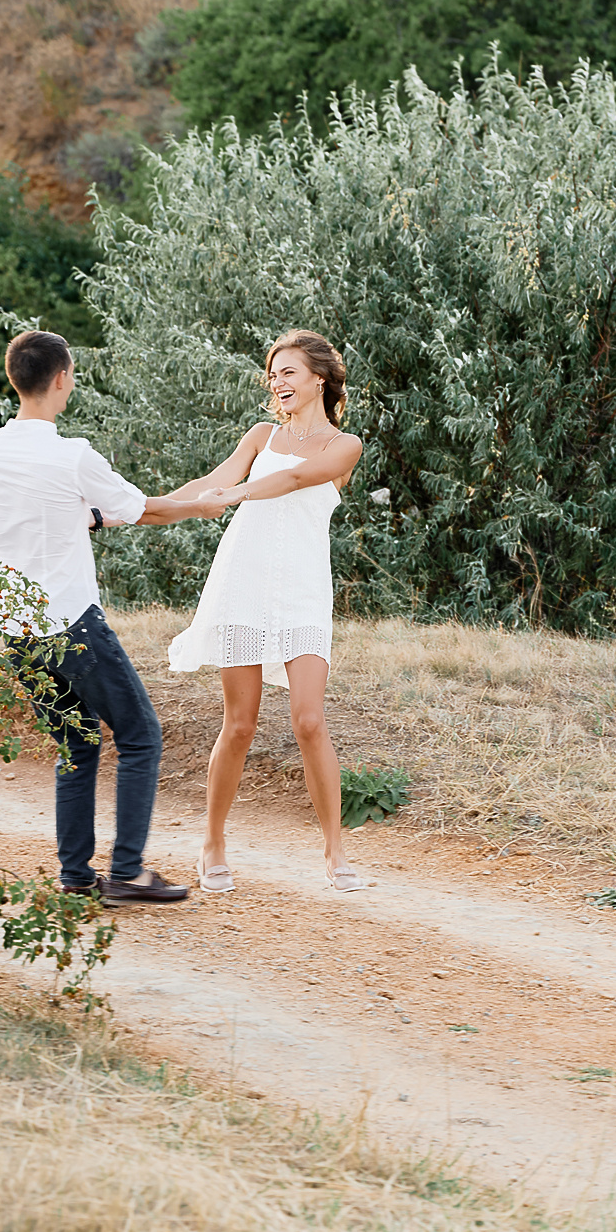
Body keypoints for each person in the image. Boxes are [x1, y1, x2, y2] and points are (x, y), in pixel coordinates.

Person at [0, 329, 227, 905]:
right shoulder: (73, 455)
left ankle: (76, 877)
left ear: (15, 378)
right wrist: (201, 506)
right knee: (140, 736)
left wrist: (93, 517)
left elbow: (50, 512)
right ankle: (128, 872)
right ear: (62, 378)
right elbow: (144, 510)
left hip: (16, 628)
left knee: (76, 745)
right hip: (71, 623)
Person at [164, 330, 366, 893]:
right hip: (244, 585)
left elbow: (296, 479)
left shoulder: (344, 445)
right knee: (240, 724)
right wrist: (143, 507)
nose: (278, 382)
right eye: (273, 374)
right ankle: (212, 843)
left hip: (303, 591)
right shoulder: (261, 435)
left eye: (289, 372)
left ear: (319, 379)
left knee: (309, 720)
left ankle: (335, 850)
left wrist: (238, 494)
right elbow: (211, 483)